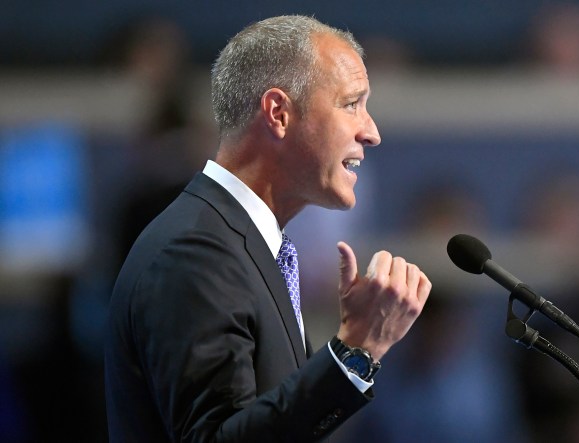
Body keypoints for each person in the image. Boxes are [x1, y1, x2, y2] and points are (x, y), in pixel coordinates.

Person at [104, 15, 432, 443]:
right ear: (278, 113)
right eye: (351, 103)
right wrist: (356, 349)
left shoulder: (248, 246)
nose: (371, 132)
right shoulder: (195, 252)